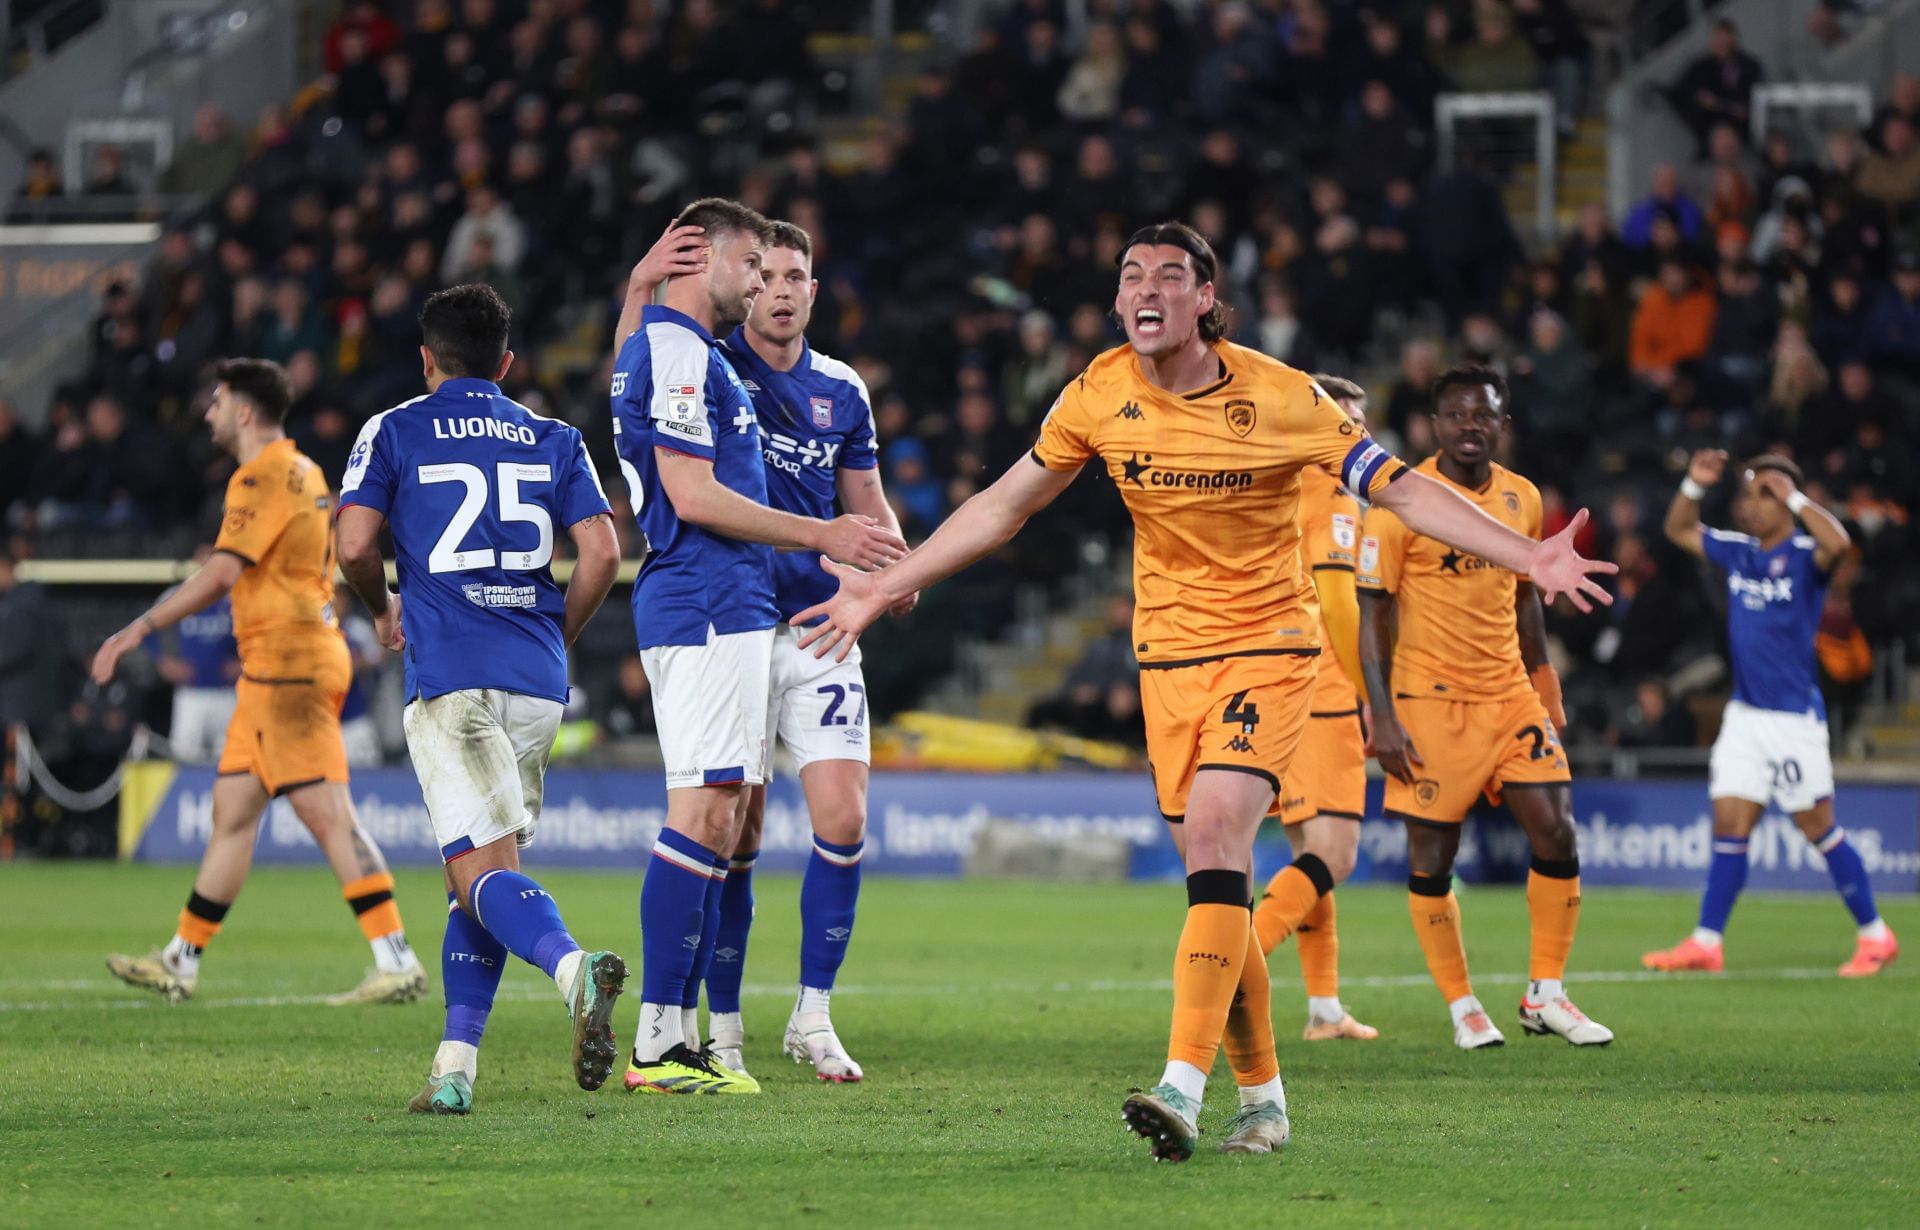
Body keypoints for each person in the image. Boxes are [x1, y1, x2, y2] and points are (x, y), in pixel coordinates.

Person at [792, 222, 1615, 1162]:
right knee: (1217, 889)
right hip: (1167, 664)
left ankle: (1181, 1084)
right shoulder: (1100, 392)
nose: (1146, 289)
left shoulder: (1282, 396)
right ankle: (1263, 1101)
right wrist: (888, 585)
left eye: (1170, 277)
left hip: (1269, 647)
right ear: (1117, 302)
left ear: (1207, 300)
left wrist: (1528, 556)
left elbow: (1403, 492)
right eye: (1131, 276)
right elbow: (1003, 505)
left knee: (1222, 836)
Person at [608, 201, 905, 1095]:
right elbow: (690, 488)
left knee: (753, 813)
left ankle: (744, 1027)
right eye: (754, 267)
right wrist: (823, 535)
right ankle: (683, 1036)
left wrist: (886, 560)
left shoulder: (704, 355)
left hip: (782, 616)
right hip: (717, 603)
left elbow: (631, 379)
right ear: (718, 263)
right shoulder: (692, 354)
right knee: (714, 819)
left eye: (785, 275)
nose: (765, 287)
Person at [335, 283, 629, 1115]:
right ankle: (454, 1069)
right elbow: (603, 555)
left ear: (426, 360)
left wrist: (381, 606)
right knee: (479, 873)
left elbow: (354, 542)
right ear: (507, 362)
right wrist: (553, 638)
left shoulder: (394, 428)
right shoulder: (556, 436)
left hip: (453, 675)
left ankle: (573, 972)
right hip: (536, 680)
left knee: (480, 871)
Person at [96, 360, 427, 1006]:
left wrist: (138, 628)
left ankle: (396, 958)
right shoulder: (305, 472)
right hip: (279, 666)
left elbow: (221, 573)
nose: (208, 412)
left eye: (217, 400)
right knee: (234, 812)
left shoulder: (262, 475)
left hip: (288, 666)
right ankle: (181, 959)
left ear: (245, 412)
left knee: (328, 815)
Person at [1358, 366, 1614, 1051]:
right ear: (1434, 425)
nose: (1470, 425)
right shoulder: (1399, 501)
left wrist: (1544, 677)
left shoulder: (1521, 498)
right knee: (1434, 857)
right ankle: (1462, 1004)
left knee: (1556, 829)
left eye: (1484, 415)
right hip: (1428, 702)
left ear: (1501, 423)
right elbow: (1372, 614)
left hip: (1508, 694)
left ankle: (1546, 994)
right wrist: (1379, 712)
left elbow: (1527, 593)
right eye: (1457, 415)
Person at [1643, 452, 1899, 978]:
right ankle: (1707, 942)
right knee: (1729, 826)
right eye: (1749, 494)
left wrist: (1798, 496)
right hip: (1745, 717)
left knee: (1817, 826)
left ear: (1786, 500)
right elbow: (1677, 528)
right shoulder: (1739, 553)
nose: (1752, 505)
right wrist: (1694, 482)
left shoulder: (1808, 555)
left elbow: (1841, 544)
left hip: (1792, 721)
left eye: (1765, 494)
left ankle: (1876, 934)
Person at [1249, 375, 1378, 1043]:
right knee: (1338, 854)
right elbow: (1340, 604)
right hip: (1325, 690)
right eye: (1340, 419)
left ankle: (1324, 1009)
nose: (1352, 432)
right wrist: (1371, 697)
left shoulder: (1284, 484)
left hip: (1280, 681)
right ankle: (1234, 959)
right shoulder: (1332, 494)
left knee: (1308, 857)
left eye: (1358, 422)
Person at [147, 546, 242, 764]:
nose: (208, 562)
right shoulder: (180, 593)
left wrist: (243, 663)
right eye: (204, 556)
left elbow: (262, 631)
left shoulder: (235, 594)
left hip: (228, 693)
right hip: (191, 692)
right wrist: (165, 663)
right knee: (184, 755)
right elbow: (148, 631)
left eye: (213, 556)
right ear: (196, 558)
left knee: (232, 757)